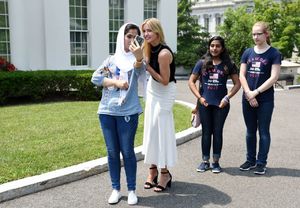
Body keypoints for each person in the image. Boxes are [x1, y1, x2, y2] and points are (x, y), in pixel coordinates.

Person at [91, 22, 145, 205]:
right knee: (112, 152)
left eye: (135, 37)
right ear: (121, 37)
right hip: (107, 111)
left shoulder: (138, 60)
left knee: (127, 151)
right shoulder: (110, 60)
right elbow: (95, 78)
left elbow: (139, 71)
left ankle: (131, 190)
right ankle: (115, 189)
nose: (131, 40)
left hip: (128, 112)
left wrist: (138, 58)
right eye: (128, 36)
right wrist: (115, 83)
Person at [188, 36, 241, 173]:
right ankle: (205, 161)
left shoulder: (228, 64)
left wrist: (227, 98)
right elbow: (191, 82)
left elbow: (237, 84)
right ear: (209, 47)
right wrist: (199, 98)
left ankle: (216, 162)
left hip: (221, 105)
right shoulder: (202, 63)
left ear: (222, 48)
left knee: (217, 132)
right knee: (206, 132)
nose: (214, 48)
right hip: (205, 104)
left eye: (217, 46)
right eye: (212, 45)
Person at [239, 21, 281, 175]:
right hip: (247, 97)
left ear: (266, 34)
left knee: (263, 131)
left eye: (258, 34)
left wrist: (255, 92)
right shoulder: (248, 52)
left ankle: (261, 163)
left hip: (265, 100)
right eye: (253, 34)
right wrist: (248, 93)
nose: (255, 37)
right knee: (250, 131)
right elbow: (241, 75)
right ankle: (250, 160)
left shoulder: (274, 53)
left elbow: (274, 77)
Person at [141, 18, 177, 192]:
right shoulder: (147, 47)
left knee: (161, 129)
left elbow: (164, 81)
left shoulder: (164, 53)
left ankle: (165, 173)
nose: (146, 34)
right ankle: (152, 170)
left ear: (157, 32)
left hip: (165, 91)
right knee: (151, 129)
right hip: (152, 90)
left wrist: (147, 68)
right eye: (144, 31)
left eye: (149, 30)